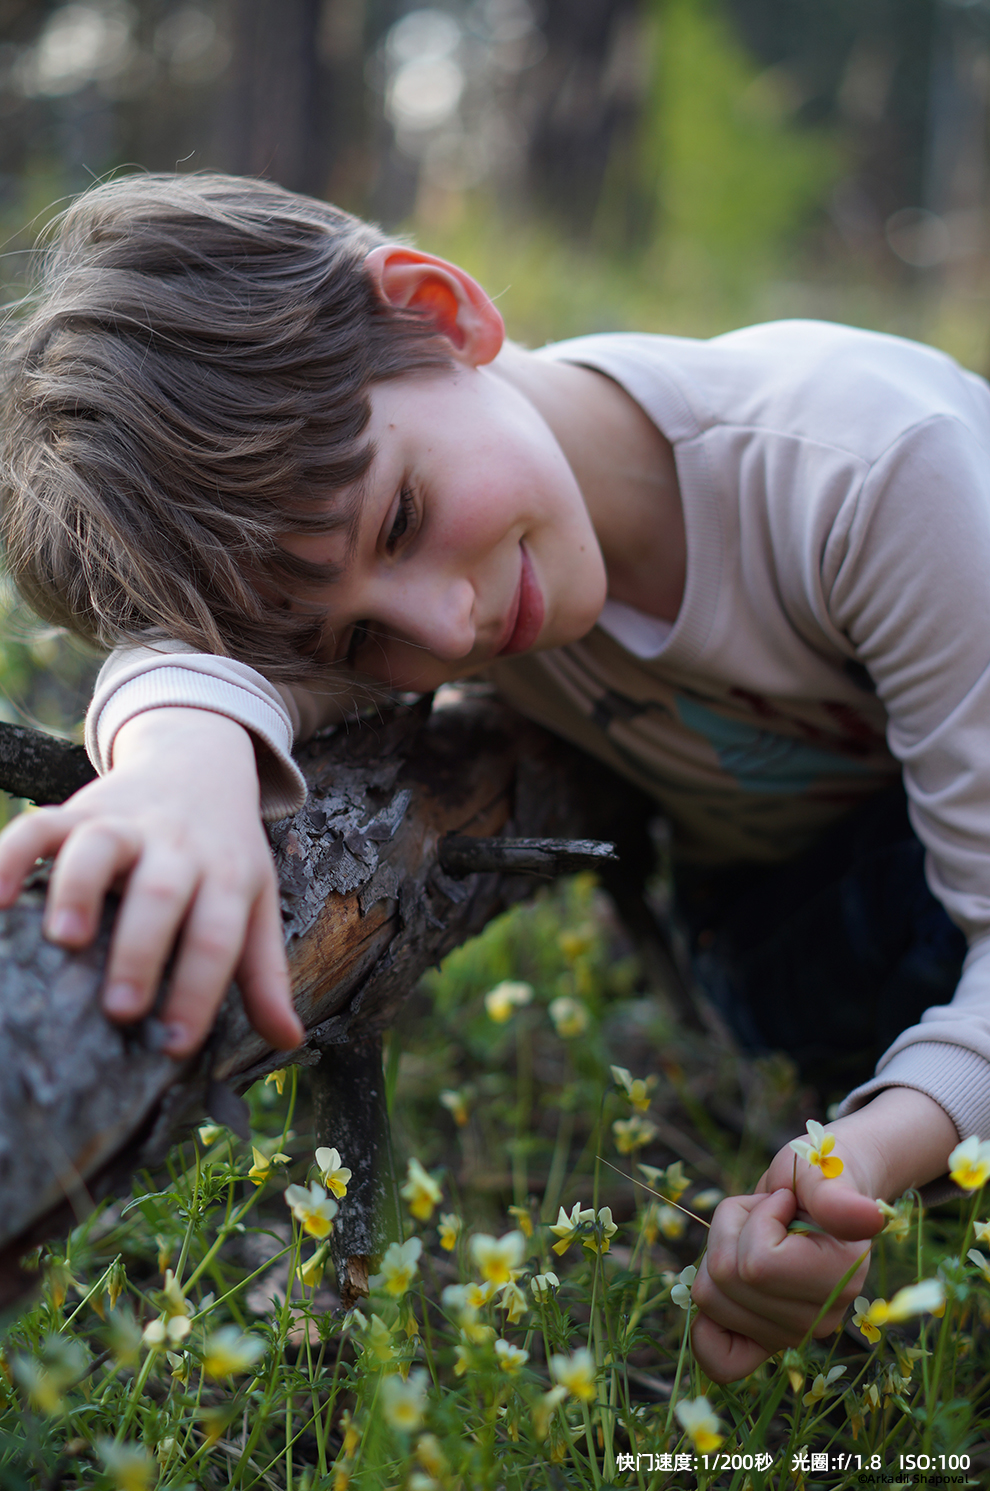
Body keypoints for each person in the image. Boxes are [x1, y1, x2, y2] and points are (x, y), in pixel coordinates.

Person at [0, 172, 984, 1383]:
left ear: (438, 310)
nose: (442, 630)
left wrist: (867, 1155)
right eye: (361, 644)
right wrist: (176, 773)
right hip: (791, 952)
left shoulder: (872, 471)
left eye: (400, 520)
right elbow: (201, 665)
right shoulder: (407, 551)